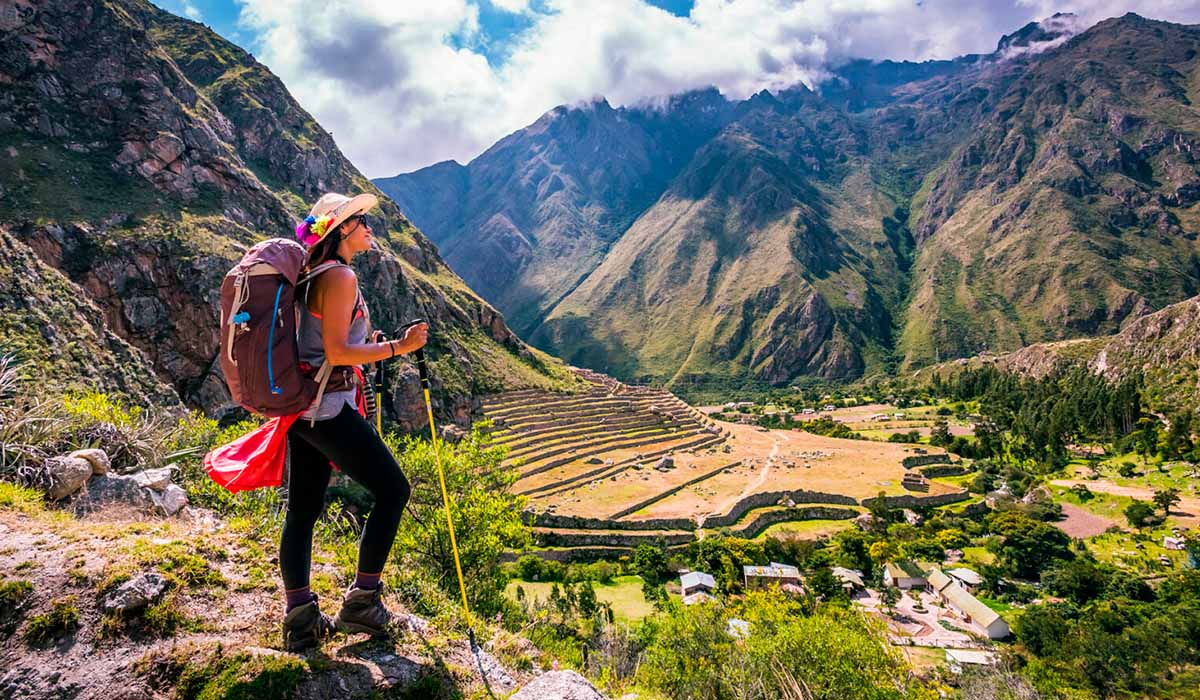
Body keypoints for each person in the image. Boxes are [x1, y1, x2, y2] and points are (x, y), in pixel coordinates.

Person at [280, 192, 428, 651]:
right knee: (393, 490)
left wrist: (373, 342)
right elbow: (338, 353)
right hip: (328, 408)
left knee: (303, 509)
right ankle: (363, 601)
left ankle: (301, 619)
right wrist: (397, 349)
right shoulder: (341, 276)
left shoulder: (313, 274)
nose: (369, 226)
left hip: (303, 409)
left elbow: (329, 343)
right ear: (343, 229)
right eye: (361, 220)